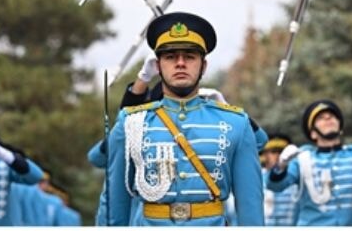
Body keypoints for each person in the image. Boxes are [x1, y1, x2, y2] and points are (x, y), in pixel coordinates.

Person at [106, 11, 263, 225]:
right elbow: (115, 204)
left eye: (189, 56)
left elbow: (250, 207)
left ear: (203, 66)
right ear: (158, 66)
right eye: (170, 57)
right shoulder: (131, 122)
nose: (180, 63)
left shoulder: (234, 123)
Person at [265, 99, 352, 225]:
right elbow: (275, 186)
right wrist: (281, 165)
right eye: (321, 118)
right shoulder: (302, 158)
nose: (328, 119)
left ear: (340, 127)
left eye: (332, 116)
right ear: (313, 134)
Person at [262, 133, 300, 226]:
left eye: (282, 151)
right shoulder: (255, 178)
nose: (279, 155)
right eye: (274, 151)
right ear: (265, 154)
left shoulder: (295, 177)